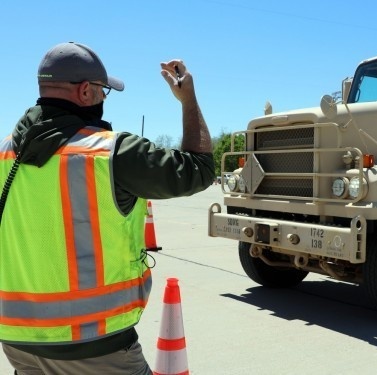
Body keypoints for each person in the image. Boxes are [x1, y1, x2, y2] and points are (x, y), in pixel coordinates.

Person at [0, 42, 215, 374]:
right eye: (103, 91)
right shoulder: (113, 152)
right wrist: (189, 100)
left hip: (17, 342)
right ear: (85, 91)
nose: (103, 98)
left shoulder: (4, 156)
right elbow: (198, 169)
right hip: (96, 344)